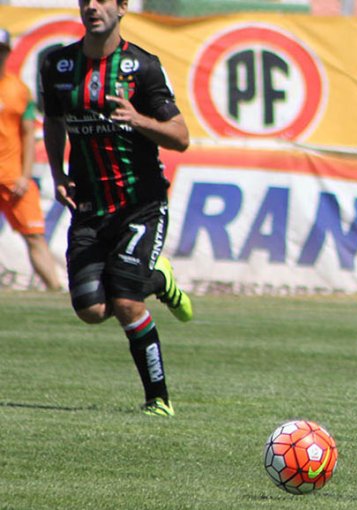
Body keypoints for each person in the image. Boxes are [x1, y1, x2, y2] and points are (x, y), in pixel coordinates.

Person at [40, 0, 192, 417]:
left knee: (126, 301)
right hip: (89, 206)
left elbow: (180, 137)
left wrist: (138, 119)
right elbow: (53, 122)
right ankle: (157, 279)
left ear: (123, 7)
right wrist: (57, 173)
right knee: (92, 309)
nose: (92, 6)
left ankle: (158, 400)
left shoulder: (142, 68)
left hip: (140, 204)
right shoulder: (57, 65)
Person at [0, 28, 62, 291]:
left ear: (7, 53)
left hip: (14, 179)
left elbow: (28, 136)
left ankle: (56, 291)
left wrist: (25, 176)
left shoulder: (18, 90)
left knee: (35, 236)